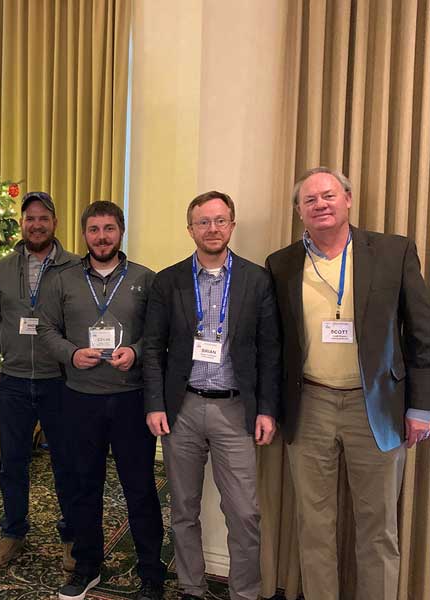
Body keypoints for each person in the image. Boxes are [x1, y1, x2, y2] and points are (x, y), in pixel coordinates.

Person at [266, 167, 430, 600]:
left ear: (348, 200)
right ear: (299, 211)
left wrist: (421, 407)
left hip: (376, 406)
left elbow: (421, 335)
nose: (320, 204)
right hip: (310, 404)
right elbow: (275, 344)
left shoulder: (393, 251)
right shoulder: (281, 264)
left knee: (378, 528)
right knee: (315, 525)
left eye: (328, 196)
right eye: (309, 200)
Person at [143, 191, 281, 600]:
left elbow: (270, 351)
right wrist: (154, 404)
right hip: (181, 409)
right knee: (183, 509)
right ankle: (191, 587)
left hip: (236, 410)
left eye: (220, 220)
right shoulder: (168, 281)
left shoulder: (257, 280)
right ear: (190, 230)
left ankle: (245, 593)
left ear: (232, 225)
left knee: (244, 513)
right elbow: (152, 347)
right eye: (203, 222)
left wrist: (268, 410)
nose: (212, 229)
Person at [38, 201, 166, 600]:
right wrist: (71, 354)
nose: (101, 237)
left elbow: (161, 335)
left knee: (140, 488)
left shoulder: (147, 279)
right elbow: (45, 329)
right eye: (93, 230)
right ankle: (87, 565)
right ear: (83, 234)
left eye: (109, 228)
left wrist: (138, 351)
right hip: (80, 399)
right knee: (83, 486)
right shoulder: (62, 279)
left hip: (130, 400)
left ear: (121, 231)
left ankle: (150, 572)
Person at [0, 191, 80, 568]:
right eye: (30, 218)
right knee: (13, 462)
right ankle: (13, 532)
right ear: (21, 224)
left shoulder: (75, 266)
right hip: (15, 380)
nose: (36, 224)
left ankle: (71, 536)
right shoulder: (4, 268)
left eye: (43, 218)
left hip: (61, 381)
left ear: (55, 223)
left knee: (66, 463)